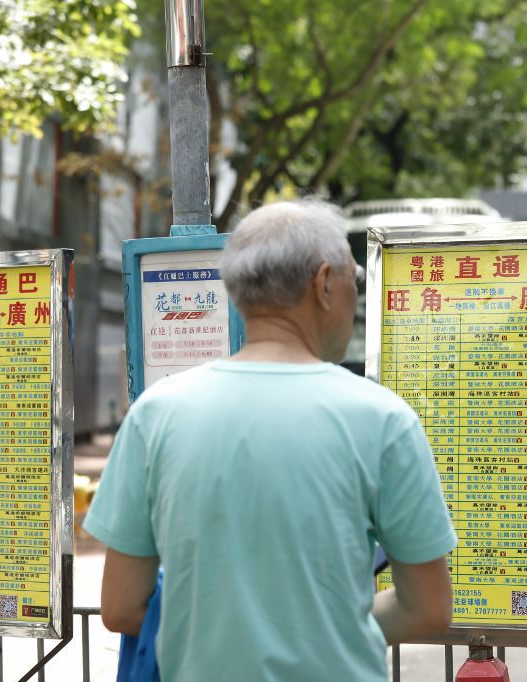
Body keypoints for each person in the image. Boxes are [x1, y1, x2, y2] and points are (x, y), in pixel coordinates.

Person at [84, 200, 456, 681]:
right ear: (324, 283)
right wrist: (327, 632)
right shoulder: (383, 419)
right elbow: (426, 607)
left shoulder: (154, 415)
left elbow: (120, 607)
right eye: (355, 280)